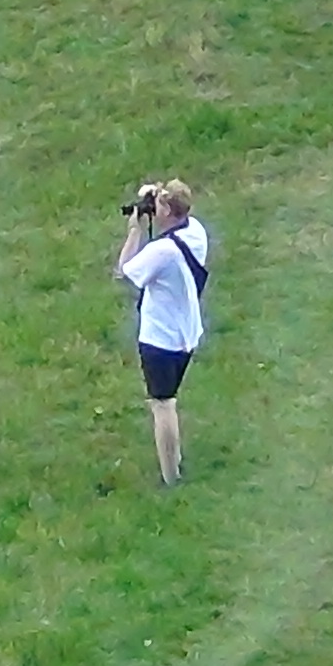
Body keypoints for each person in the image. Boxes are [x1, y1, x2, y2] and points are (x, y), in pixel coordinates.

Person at [114, 179, 210, 485]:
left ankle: (170, 477)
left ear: (167, 211)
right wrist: (156, 196)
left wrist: (135, 229)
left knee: (163, 405)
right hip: (187, 334)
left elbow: (124, 270)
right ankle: (175, 462)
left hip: (160, 340)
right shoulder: (196, 232)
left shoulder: (163, 251)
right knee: (168, 400)